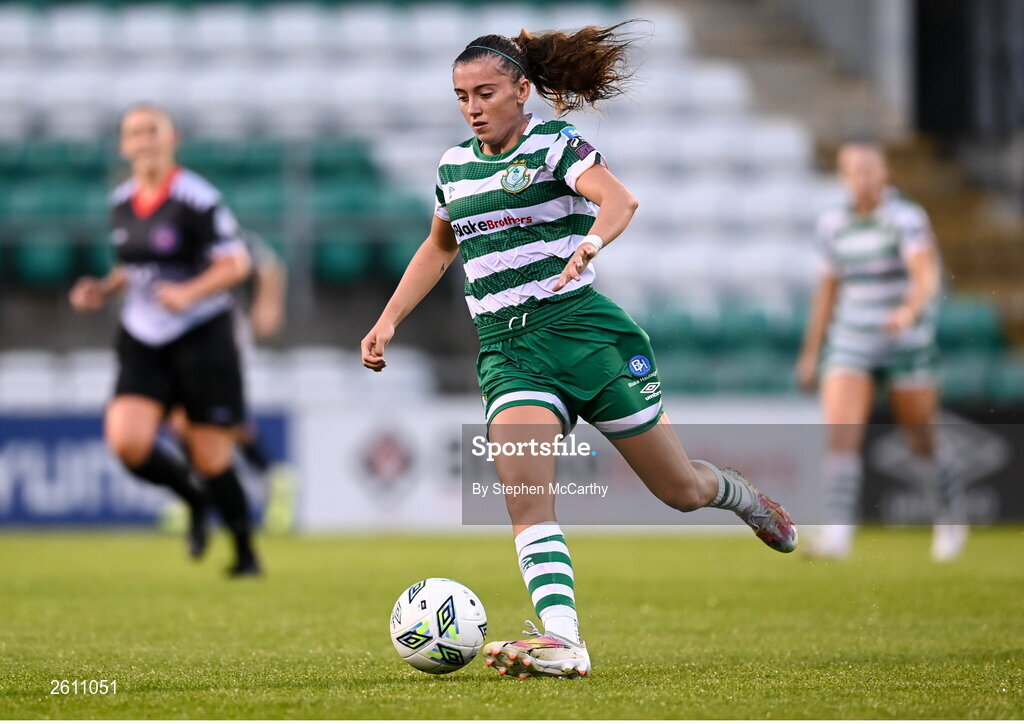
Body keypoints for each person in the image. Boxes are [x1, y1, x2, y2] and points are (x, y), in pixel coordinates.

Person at [361, 25, 798, 679]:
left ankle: (742, 498)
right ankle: (565, 641)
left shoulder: (553, 145)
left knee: (680, 490)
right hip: (509, 352)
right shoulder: (453, 167)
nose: (473, 107)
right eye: (460, 96)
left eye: (485, 92)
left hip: (585, 335)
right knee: (521, 490)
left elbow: (620, 199)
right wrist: (388, 319)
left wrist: (589, 244)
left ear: (522, 90)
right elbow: (440, 246)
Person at [69, 104, 261, 577]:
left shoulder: (198, 198)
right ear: (124, 145)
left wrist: (188, 293)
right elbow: (133, 266)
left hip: (202, 334)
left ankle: (244, 553)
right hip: (143, 336)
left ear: (171, 137)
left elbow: (237, 263)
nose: (144, 139)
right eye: (135, 132)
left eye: (152, 130)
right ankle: (192, 499)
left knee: (210, 452)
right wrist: (104, 288)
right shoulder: (121, 200)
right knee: (127, 441)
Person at [796, 140, 965, 562]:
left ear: (884, 173)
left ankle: (948, 515)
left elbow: (925, 275)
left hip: (904, 343)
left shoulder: (904, 217)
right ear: (843, 175)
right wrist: (811, 351)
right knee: (841, 435)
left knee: (920, 438)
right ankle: (837, 535)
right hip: (852, 339)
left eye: (869, 169)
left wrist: (908, 311)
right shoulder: (833, 223)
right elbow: (828, 290)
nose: (862, 178)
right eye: (853, 170)